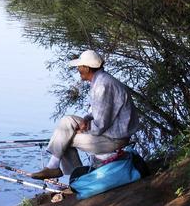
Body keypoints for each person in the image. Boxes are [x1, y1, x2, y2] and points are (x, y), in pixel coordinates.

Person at [31, 50, 139, 180]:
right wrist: (86, 119)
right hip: (108, 131)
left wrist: (85, 130)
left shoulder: (103, 86)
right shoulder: (100, 80)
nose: (78, 69)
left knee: (66, 140)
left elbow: (100, 125)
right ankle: (53, 166)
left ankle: (77, 178)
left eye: (79, 66)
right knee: (67, 121)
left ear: (87, 68)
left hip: (115, 138)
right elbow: (97, 111)